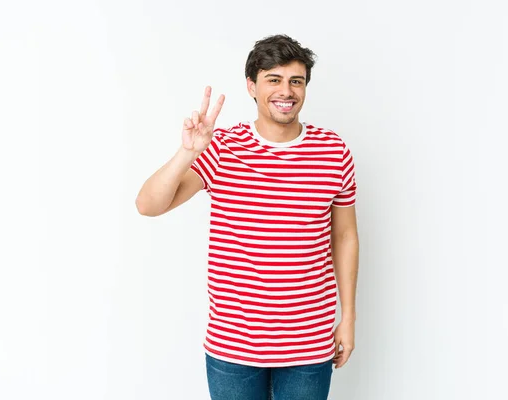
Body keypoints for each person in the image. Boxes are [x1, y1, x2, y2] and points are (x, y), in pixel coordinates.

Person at [135, 34, 360, 400]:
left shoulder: (333, 152)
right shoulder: (223, 147)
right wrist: (187, 152)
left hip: (309, 342)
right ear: (252, 87)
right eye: (274, 79)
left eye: (296, 81)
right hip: (234, 345)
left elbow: (346, 236)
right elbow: (148, 205)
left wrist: (347, 319)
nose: (286, 91)